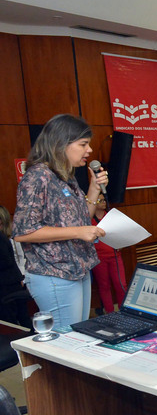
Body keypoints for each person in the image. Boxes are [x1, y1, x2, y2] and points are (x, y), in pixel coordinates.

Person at [12, 114, 108, 329]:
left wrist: (94, 189)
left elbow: (81, 220)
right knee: (66, 340)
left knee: (78, 334)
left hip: (78, 269)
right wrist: (78, 232)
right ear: (61, 143)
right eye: (83, 144)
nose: (89, 150)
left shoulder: (65, 176)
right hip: (54, 273)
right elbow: (22, 232)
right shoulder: (38, 176)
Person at [89, 195, 127, 315]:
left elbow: (121, 233)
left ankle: (123, 311)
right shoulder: (89, 219)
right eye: (100, 201)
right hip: (99, 258)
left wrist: (121, 243)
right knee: (104, 286)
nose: (104, 202)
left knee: (121, 284)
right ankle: (110, 313)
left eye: (104, 200)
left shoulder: (111, 217)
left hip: (115, 255)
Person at [0, 206, 30, 327]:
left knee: (12, 324)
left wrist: (22, 277)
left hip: (8, 288)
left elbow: (7, 262)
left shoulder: (5, 238)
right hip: (11, 285)